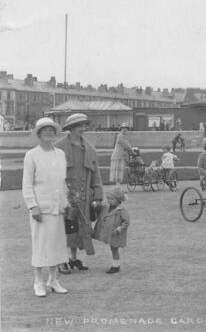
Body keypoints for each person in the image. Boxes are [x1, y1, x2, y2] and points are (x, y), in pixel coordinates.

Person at [22, 117, 70, 296]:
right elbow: (27, 184)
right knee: (41, 244)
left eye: (51, 130)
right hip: (40, 208)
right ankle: (38, 282)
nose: (48, 133)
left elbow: (62, 182)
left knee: (57, 244)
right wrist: (33, 206)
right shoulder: (31, 155)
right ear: (39, 134)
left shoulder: (60, 154)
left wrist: (66, 203)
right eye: (44, 130)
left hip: (58, 207)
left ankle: (53, 279)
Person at [55, 113, 103, 274]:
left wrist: (97, 196)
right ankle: (60, 260)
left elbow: (96, 174)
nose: (84, 128)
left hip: (83, 197)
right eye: (80, 126)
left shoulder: (89, 148)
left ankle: (72, 258)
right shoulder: (59, 147)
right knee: (64, 228)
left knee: (79, 228)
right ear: (71, 128)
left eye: (85, 125)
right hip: (64, 196)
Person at [92, 186, 130, 274]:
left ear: (118, 199)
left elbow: (126, 222)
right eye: (108, 198)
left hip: (116, 233)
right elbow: (100, 207)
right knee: (112, 248)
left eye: (111, 199)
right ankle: (115, 265)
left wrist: (119, 228)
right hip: (110, 233)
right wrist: (96, 204)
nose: (109, 200)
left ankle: (116, 266)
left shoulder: (122, 210)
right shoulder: (107, 207)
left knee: (114, 249)